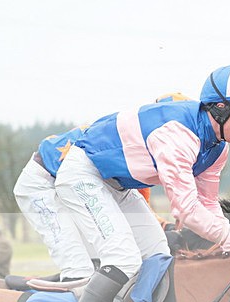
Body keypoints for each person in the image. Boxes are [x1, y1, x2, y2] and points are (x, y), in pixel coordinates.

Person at [49, 65, 230, 302]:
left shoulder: (217, 147)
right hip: (83, 176)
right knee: (123, 256)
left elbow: (208, 203)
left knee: (158, 251)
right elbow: (185, 208)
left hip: (117, 185)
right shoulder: (178, 135)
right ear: (220, 109)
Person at [13, 92, 191, 285]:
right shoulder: (139, 140)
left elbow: (136, 205)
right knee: (79, 267)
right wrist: (166, 226)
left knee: (150, 252)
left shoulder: (154, 140)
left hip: (81, 181)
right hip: (40, 184)